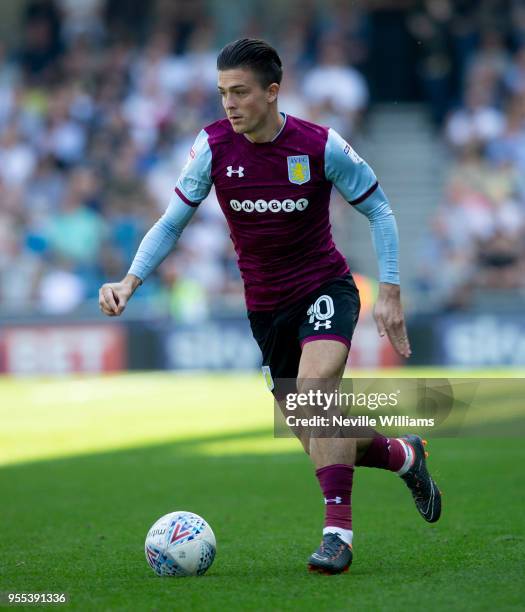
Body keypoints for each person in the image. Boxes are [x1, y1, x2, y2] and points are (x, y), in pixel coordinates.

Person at [99, 38, 441, 575]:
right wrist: (130, 280)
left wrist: (391, 291)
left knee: (315, 394)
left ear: (272, 92)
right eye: (221, 93)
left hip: (326, 288)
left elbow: (380, 210)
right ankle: (404, 456)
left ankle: (337, 536)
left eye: (240, 92)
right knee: (315, 432)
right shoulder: (212, 147)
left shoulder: (320, 145)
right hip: (266, 310)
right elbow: (171, 222)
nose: (229, 104)